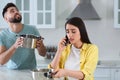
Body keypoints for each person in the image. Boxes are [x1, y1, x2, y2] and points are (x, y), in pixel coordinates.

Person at [0, 3, 46, 69]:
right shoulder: (2, 35)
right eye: (12, 11)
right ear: (6, 18)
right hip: (12, 72)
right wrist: (15, 46)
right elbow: (1, 61)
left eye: (17, 10)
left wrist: (41, 46)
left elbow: (43, 54)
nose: (16, 12)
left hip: (30, 71)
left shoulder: (32, 29)